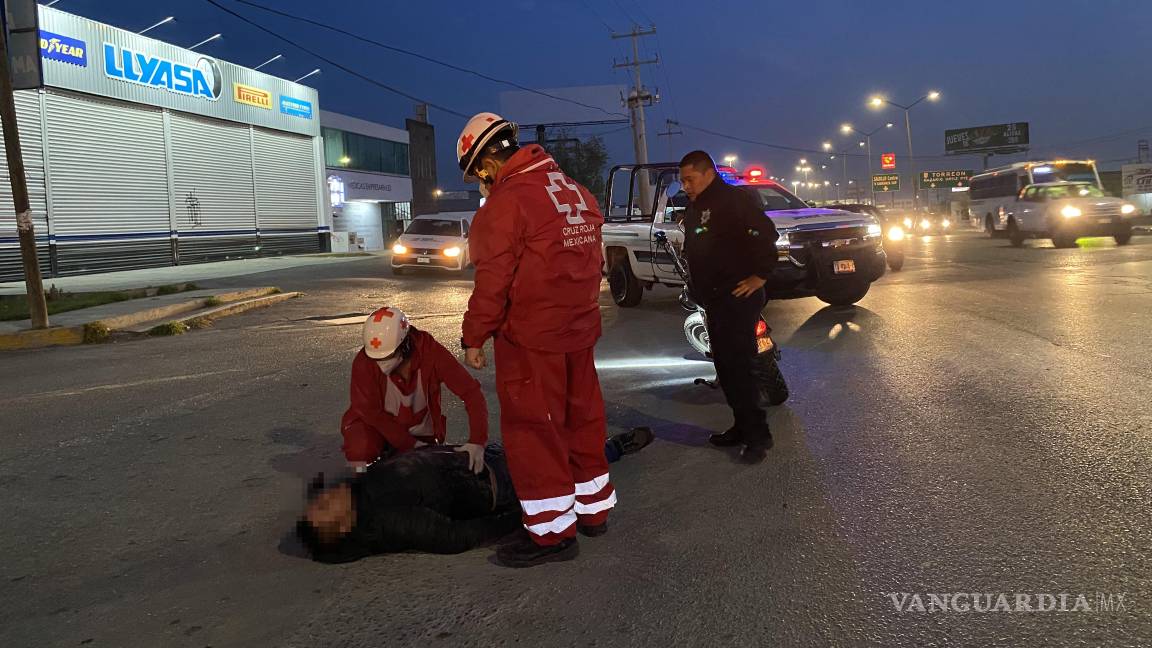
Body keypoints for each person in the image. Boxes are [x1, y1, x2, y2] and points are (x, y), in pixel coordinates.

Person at [456, 112, 612, 568]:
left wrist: (474, 336)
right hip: (579, 331)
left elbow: (492, 284)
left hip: (531, 339)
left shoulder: (506, 204)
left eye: (478, 173)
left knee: (533, 431)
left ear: (486, 160)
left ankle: (552, 535)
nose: (481, 182)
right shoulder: (576, 191)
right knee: (582, 420)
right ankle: (594, 513)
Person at [297, 430, 653, 563]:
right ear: (344, 527)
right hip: (498, 484)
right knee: (562, 468)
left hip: (483, 461)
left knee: (550, 446)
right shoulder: (388, 519)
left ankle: (600, 446)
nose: (327, 496)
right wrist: (527, 518)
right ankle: (614, 449)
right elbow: (453, 537)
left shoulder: (364, 490)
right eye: (326, 507)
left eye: (320, 500)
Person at [678, 151, 778, 463]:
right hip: (715, 299)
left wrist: (759, 276)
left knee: (741, 367)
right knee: (724, 366)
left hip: (738, 297)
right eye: (683, 181)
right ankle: (740, 425)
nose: (685, 186)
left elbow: (766, 235)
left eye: (690, 179)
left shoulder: (733, 200)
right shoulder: (696, 206)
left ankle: (758, 437)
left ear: (708, 174)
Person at [341, 306, 487, 474]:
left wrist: (478, 441)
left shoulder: (431, 353)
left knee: (422, 473)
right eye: (376, 359)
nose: (380, 364)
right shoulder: (364, 362)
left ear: (405, 346)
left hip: (418, 430)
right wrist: (409, 445)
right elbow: (370, 412)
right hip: (375, 427)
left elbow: (471, 392)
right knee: (360, 449)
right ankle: (357, 481)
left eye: (387, 357)